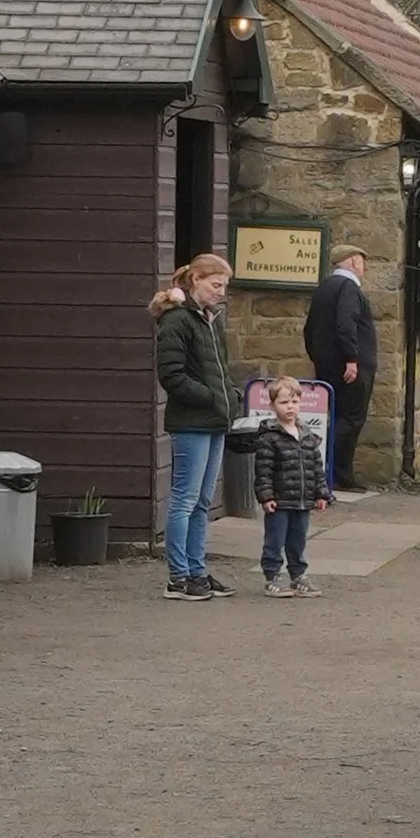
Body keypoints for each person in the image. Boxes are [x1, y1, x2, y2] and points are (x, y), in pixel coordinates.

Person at [152, 253, 237, 600]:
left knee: (202, 501)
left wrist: (230, 398)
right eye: (216, 285)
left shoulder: (210, 319)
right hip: (191, 422)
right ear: (196, 279)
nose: (220, 292)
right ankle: (178, 576)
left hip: (214, 418)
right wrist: (211, 397)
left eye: (223, 286)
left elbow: (222, 368)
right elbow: (171, 375)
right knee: (185, 499)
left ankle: (197, 569)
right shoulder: (177, 321)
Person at [302, 243, 378, 492]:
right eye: (362, 262)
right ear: (354, 262)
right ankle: (338, 474)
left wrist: (318, 358)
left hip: (327, 365)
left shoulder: (324, 287)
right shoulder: (348, 288)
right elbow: (347, 324)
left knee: (334, 417)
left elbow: (309, 329)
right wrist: (352, 359)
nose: (364, 267)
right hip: (350, 368)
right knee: (351, 418)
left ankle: (328, 471)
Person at [253, 375, 329, 597]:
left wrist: (321, 493)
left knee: (298, 540)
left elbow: (316, 466)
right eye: (284, 402)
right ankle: (272, 577)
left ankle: (298, 576)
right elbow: (263, 470)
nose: (290, 407)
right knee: (274, 540)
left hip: (303, 501)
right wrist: (266, 497)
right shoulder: (269, 438)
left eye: (294, 402)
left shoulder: (307, 436)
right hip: (279, 501)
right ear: (273, 405)